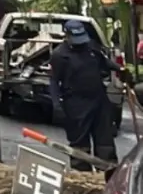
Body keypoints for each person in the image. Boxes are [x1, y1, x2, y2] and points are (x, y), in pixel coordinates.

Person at [49, 19, 128, 173]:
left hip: (99, 101)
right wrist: (56, 104)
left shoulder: (91, 47)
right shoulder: (60, 55)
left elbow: (104, 63)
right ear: (67, 36)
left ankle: (108, 175)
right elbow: (53, 81)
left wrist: (120, 69)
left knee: (105, 142)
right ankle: (83, 178)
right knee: (80, 145)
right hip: (76, 104)